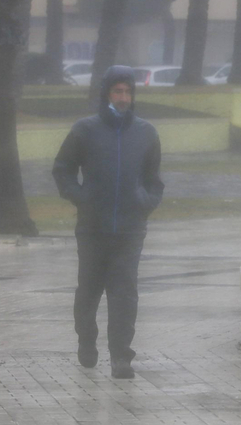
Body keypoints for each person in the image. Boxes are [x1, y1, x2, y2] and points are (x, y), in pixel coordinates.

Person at [52, 66, 164, 379]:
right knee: (88, 291)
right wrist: (81, 197)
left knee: (124, 293)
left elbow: (154, 180)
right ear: (107, 94)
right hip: (92, 228)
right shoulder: (85, 130)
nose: (124, 97)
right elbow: (62, 169)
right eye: (118, 91)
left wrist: (145, 203)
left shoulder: (145, 133)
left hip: (130, 229)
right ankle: (86, 340)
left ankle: (121, 357)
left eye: (128, 92)